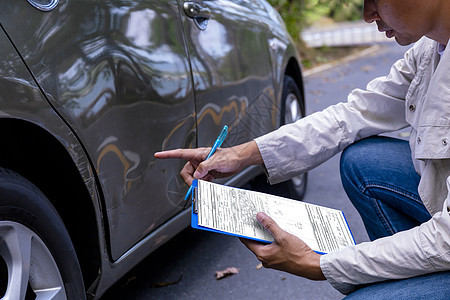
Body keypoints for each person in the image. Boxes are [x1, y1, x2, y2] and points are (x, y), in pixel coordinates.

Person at [155, 0, 450, 297]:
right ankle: (409, 280)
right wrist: (239, 155)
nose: (367, 15)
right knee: (364, 161)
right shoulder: (429, 50)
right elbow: (350, 115)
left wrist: (318, 263)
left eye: (373, 0)